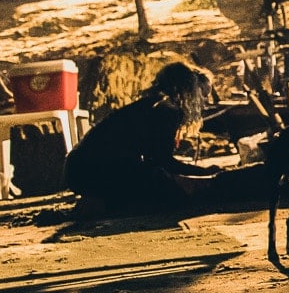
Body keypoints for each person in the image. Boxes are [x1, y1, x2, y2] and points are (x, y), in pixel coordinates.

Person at [66, 62, 270, 216]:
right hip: (92, 171)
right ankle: (102, 204)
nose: (204, 103)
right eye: (203, 96)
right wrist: (204, 173)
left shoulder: (153, 104)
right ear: (190, 91)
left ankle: (102, 200)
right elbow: (162, 162)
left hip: (79, 168)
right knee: (173, 198)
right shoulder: (166, 110)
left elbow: (154, 159)